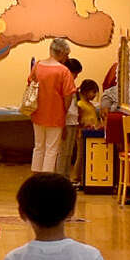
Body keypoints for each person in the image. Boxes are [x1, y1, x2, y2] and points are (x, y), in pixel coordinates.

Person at [29, 39, 79, 173]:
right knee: (51, 149)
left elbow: (30, 85)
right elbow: (68, 96)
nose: (67, 58)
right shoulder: (64, 71)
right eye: (66, 55)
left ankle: (36, 177)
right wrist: (64, 112)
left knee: (38, 146)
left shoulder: (38, 65)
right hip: (55, 115)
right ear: (62, 53)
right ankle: (47, 179)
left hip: (37, 112)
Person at [58, 57, 85, 177]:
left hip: (72, 121)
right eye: (75, 73)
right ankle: (59, 177)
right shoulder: (62, 83)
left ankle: (65, 177)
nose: (76, 76)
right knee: (63, 153)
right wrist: (62, 124)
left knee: (68, 153)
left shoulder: (71, 84)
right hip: (66, 122)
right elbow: (61, 106)